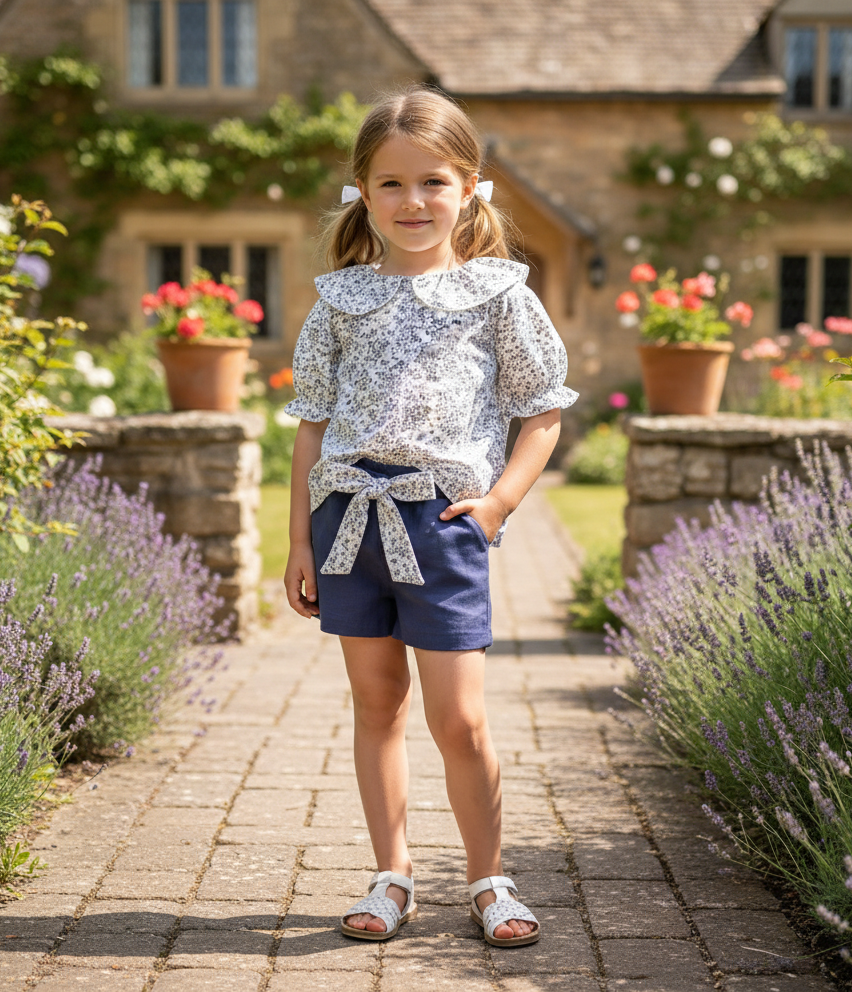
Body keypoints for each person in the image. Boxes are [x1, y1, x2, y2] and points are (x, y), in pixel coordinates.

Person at [283, 86, 577, 948]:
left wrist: (494, 508)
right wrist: (300, 538)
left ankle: (489, 880)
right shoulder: (339, 301)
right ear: (364, 195)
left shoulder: (499, 295)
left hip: (442, 521)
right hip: (346, 521)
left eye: (433, 183)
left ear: (470, 187)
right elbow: (311, 428)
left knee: (462, 719)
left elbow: (542, 412)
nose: (414, 203)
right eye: (392, 185)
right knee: (376, 704)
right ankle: (392, 876)